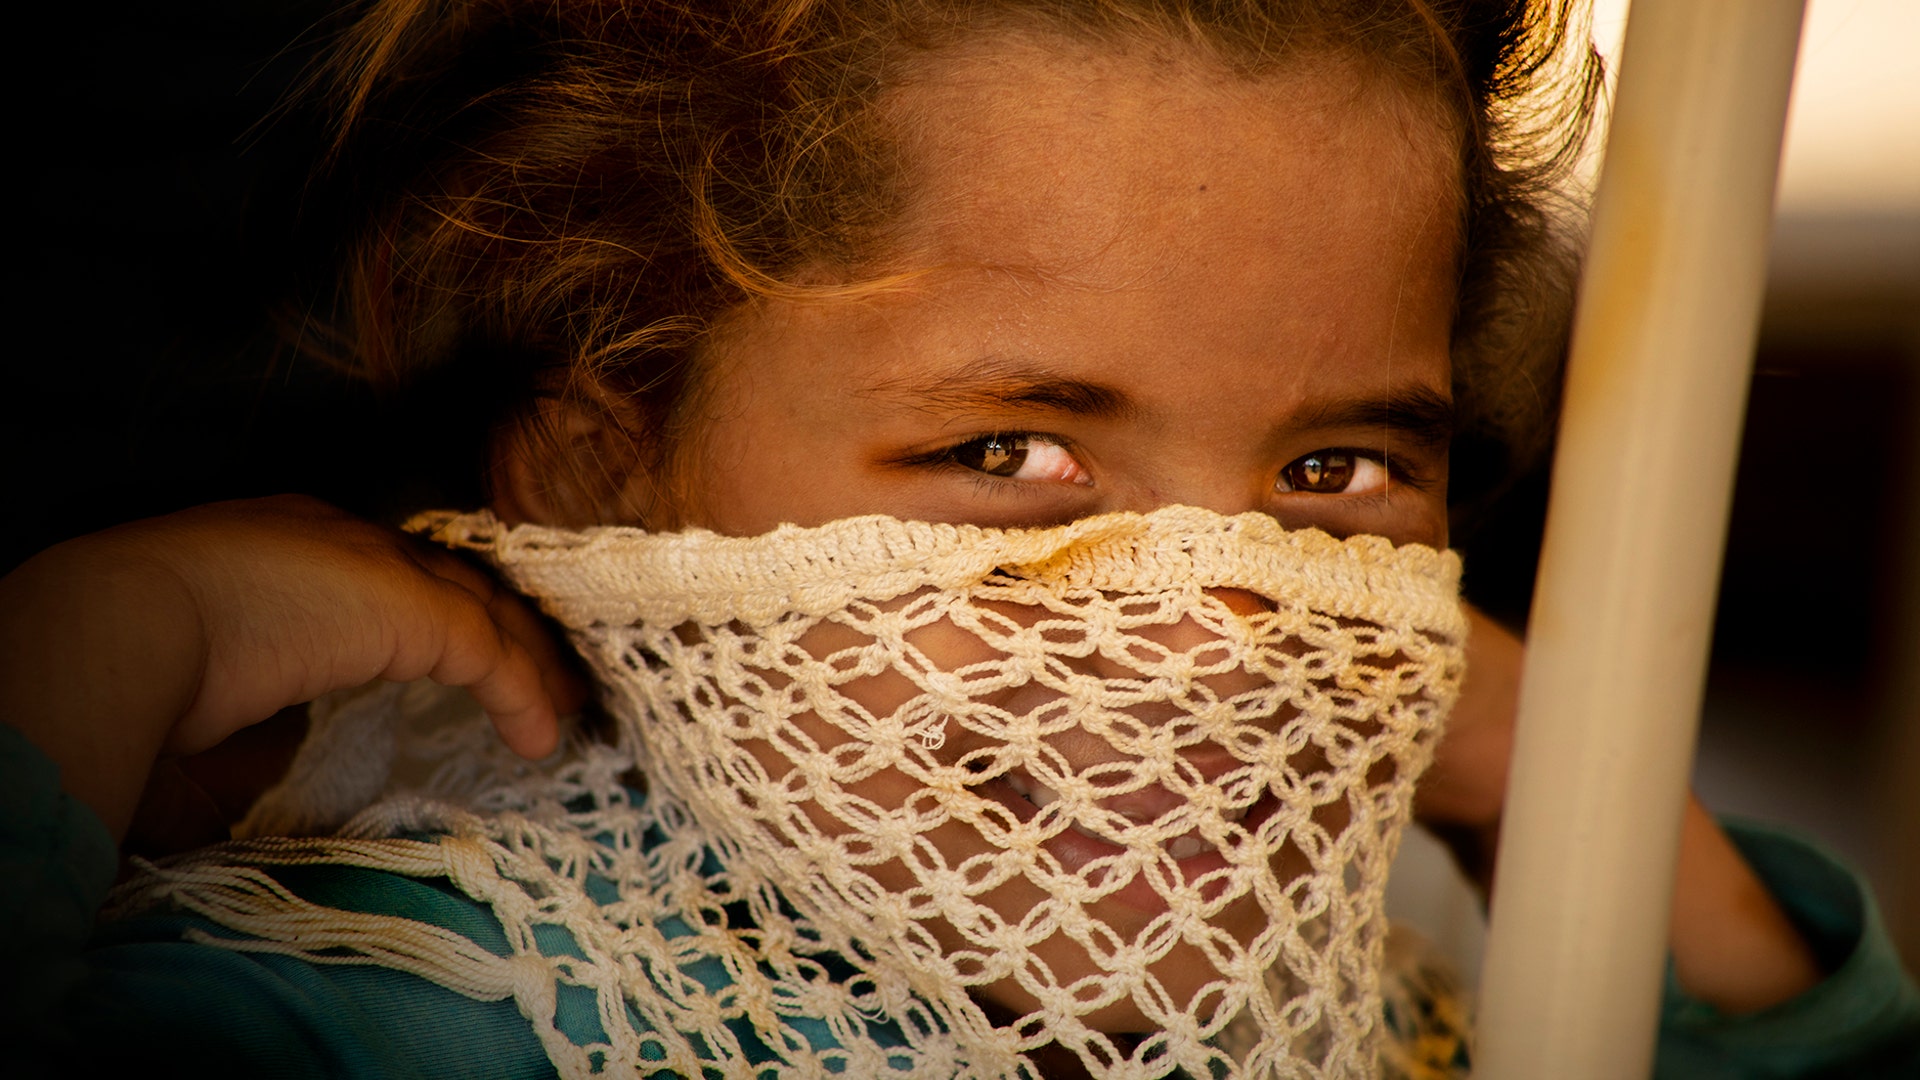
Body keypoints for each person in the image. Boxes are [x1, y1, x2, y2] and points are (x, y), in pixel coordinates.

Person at [2, 0, 1915, 1076]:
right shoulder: (403, 1011)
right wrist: (98, 646)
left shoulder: (1424, 1025)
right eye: (1014, 455)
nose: (1212, 636)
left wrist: (1577, 784)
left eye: (1334, 477)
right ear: (600, 467)